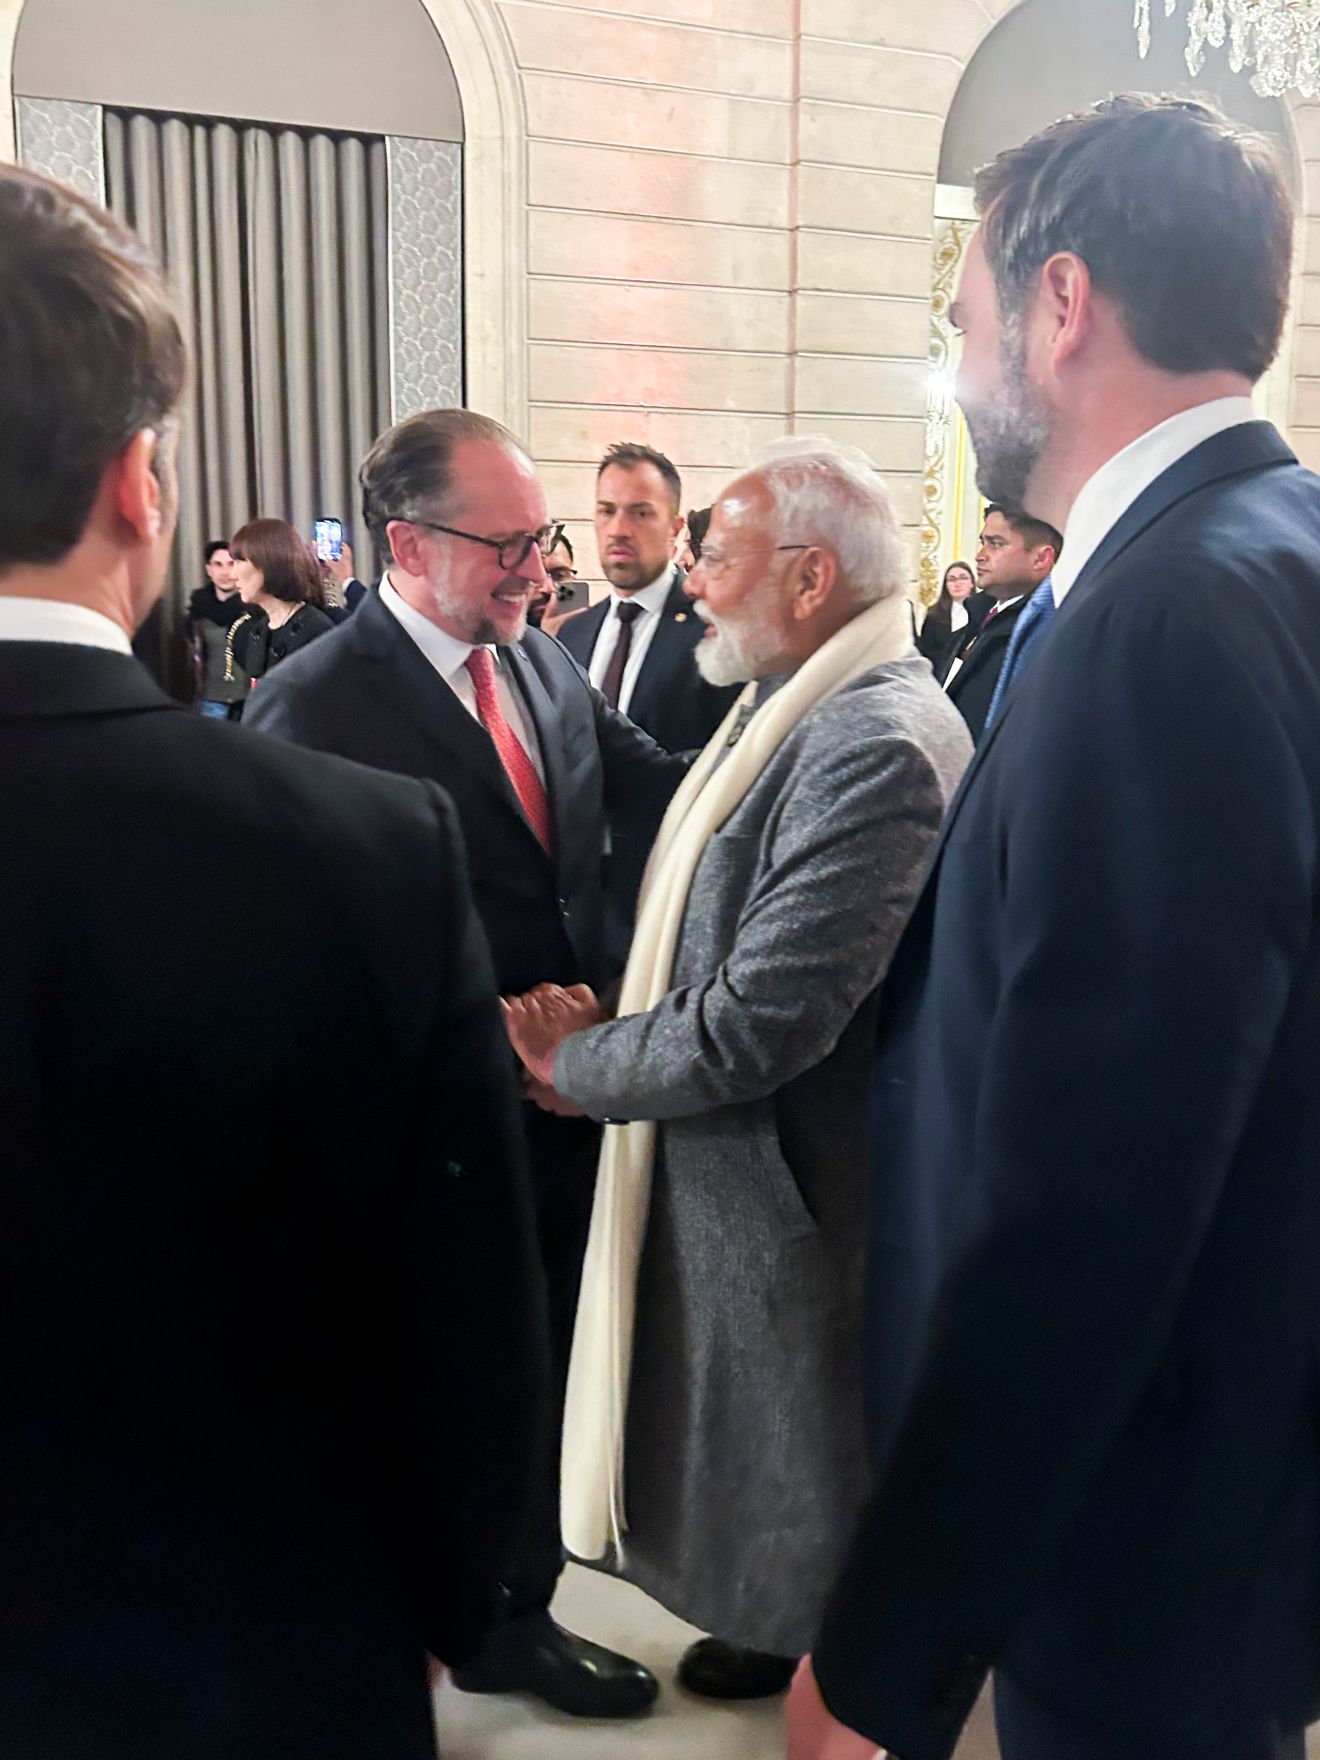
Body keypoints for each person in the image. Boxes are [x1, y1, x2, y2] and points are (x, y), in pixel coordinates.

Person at [790, 93, 1320, 1760]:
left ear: (1062, 302)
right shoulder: (1275, 548)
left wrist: (888, 1649)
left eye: (964, 325)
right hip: (1246, 1472)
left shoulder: (1157, 617)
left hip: (1140, 1510)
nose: (961, 378)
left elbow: (1087, 1203)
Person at [0, 163, 550, 1760]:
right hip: (267, 1662)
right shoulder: (361, 850)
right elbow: (467, 1318)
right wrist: (447, 1610)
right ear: (140, 484)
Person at [503, 442, 970, 1704]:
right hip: (761, 1164)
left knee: (804, 1440)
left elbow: (765, 1016)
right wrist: (629, 1002)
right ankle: (790, 1620)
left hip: (800, 1180)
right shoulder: (805, 697)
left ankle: (833, 1655)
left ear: (810, 577)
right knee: (771, 1438)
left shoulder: (876, 737)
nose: (695, 581)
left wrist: (585, 1061)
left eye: (715, 554)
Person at [244, 408, 687, 1722]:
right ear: (406, 543)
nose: (541, 568)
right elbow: (281, 952)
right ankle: (413, 1618)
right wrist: (470, 1019)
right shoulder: (311, 703)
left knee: (536, 1360)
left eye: (542, 539)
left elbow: (648, 786)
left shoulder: (546, 666)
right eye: (507, 544)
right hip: (416, 1123)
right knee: (423, 1382)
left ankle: (515, 1612)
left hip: (566, 1101)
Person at [557, 445, 741, 966]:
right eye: (606, 510)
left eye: (640, 513)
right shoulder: (573, 635)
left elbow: (732, 760)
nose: (619, 528)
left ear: (675, 526)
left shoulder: (715, 628)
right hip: (580, 905)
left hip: (673, 900)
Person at [939, 506, 1060, 741]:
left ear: (1041, 558)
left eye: (996, 543)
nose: (980, 555)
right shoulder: (979, 616)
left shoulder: (1045, 634)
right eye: (982, 541)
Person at [226, 517, 335, 687]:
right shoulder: (259, 630)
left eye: (240, 561)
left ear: (269, 563)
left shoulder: (317, 631)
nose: (233, 575)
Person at [188, 538, 249, 717]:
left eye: (231, 564)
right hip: (210, 699)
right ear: (209, 570)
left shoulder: (254, 609)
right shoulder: (198, 611)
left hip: (248, 700)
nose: (225, 572)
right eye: (218, 564)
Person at [915, 559, 976, 667]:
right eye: (952, 579)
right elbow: (926, 653)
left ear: (972, 583)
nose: (957, 583)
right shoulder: (934, 616)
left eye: (963, 578)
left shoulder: (985, 612)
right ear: (945, 585)